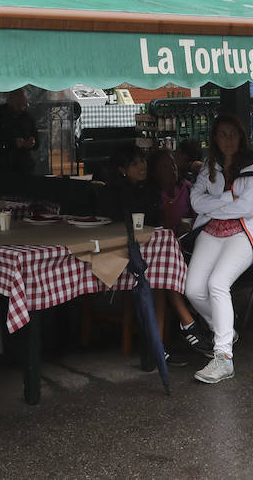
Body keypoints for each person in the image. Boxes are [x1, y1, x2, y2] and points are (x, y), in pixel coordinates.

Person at [185, 114, 253, 383]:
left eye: (233, 134)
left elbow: (249, 207)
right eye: (222, 134)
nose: (228, 139)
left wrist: (217, 204)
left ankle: (223, 357)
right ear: (214, 138)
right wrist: (229, 198)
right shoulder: (208, 165)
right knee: (192, 288)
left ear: (241, 137)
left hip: (244, 233)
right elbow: (196, 203)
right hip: (211, 231)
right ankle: (224, 329)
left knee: (217, 283)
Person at [102, 145, 208, 359]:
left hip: (149, 256)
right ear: (123, 169)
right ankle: (185, 325)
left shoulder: (149, 190)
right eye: (135, 164)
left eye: (143, 161)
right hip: (119, 258)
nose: (142, 167)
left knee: (160, 276)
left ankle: (158, 344)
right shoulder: (115, 193)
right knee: (159, 275)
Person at [0, 88, 38, 176]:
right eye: (18, 104)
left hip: (25, 166)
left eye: (24, 105)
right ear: (10, 102)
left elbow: (36, 141)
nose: (21, 108)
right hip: (4, 167)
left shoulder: (28, 118)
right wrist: (13, 143)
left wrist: (32, 142)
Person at [148, 148, 192, 233]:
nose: (172, 169)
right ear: (155, 172)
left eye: (173, 164)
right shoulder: (151, 195)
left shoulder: (188, 188)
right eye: (165, 166)